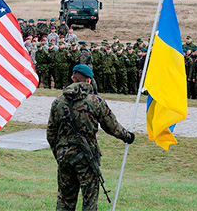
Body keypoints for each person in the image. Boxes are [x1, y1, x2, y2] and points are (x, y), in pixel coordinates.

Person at [47, 64, 135, 210]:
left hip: (64, 157)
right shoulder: (95, 102)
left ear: (72, 78)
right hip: (86, 158)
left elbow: (51, 133)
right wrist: (128, 136)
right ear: (89, 81)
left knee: (64, 201)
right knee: (90, 202)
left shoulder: (58, 102)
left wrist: (59, 153)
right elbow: (112, 127)